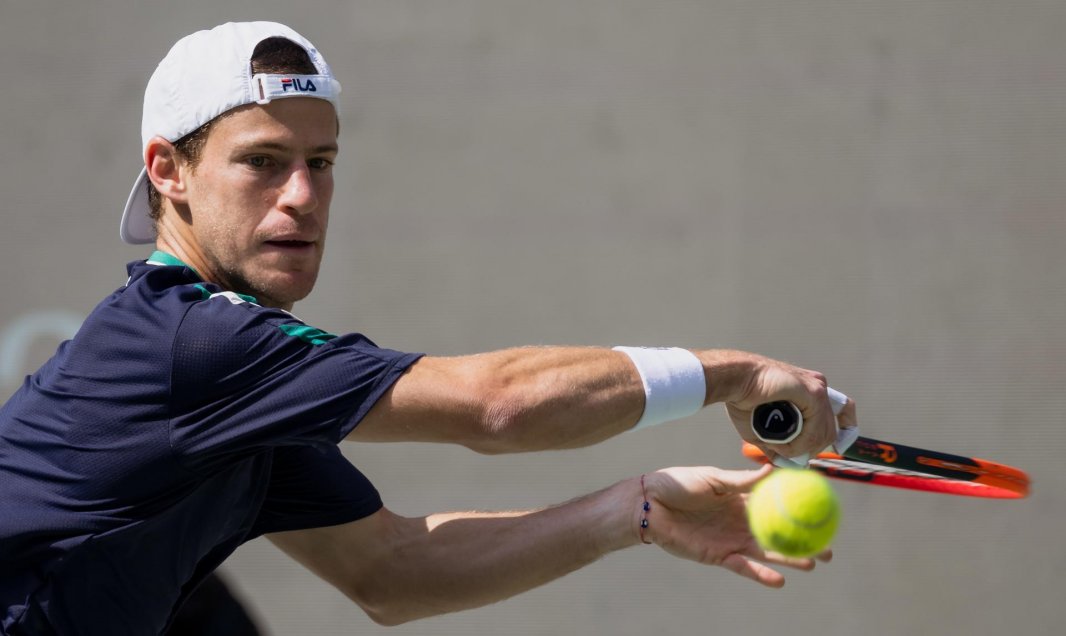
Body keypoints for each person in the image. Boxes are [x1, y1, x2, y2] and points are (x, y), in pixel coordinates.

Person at [0, 21, 857, 635]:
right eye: (262, 161)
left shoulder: (240, 396)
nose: (301, 194)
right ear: (169, 172)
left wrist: (630, 509)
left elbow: (393, 573)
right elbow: (498, 405)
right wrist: (730, 374)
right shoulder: (197, 344)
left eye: (320, 163)